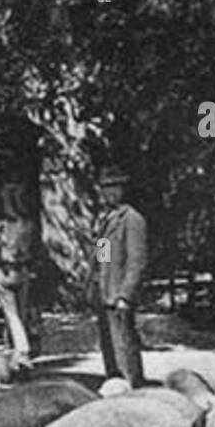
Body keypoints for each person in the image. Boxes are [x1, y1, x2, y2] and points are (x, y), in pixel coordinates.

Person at [0, 175, 43, 366]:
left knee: (12, 314)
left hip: (6, 270)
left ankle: (22, 350)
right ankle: (17, 351)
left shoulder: (4, 224)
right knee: (20, 312)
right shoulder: (29, 223)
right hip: (23, 270)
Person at [87, 165, 147, 387]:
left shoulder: (132, 219)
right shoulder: (106, 220)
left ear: (122, 189)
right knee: (109, 347)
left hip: (118, 295)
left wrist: (125, 295)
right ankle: (115, 384)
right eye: (104, 188)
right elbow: (102, 257)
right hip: (105, 293)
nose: (108, 193)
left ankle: (132, 386)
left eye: (113, 187)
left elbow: (136, 261)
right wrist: (94, 285)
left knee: (124, 345)